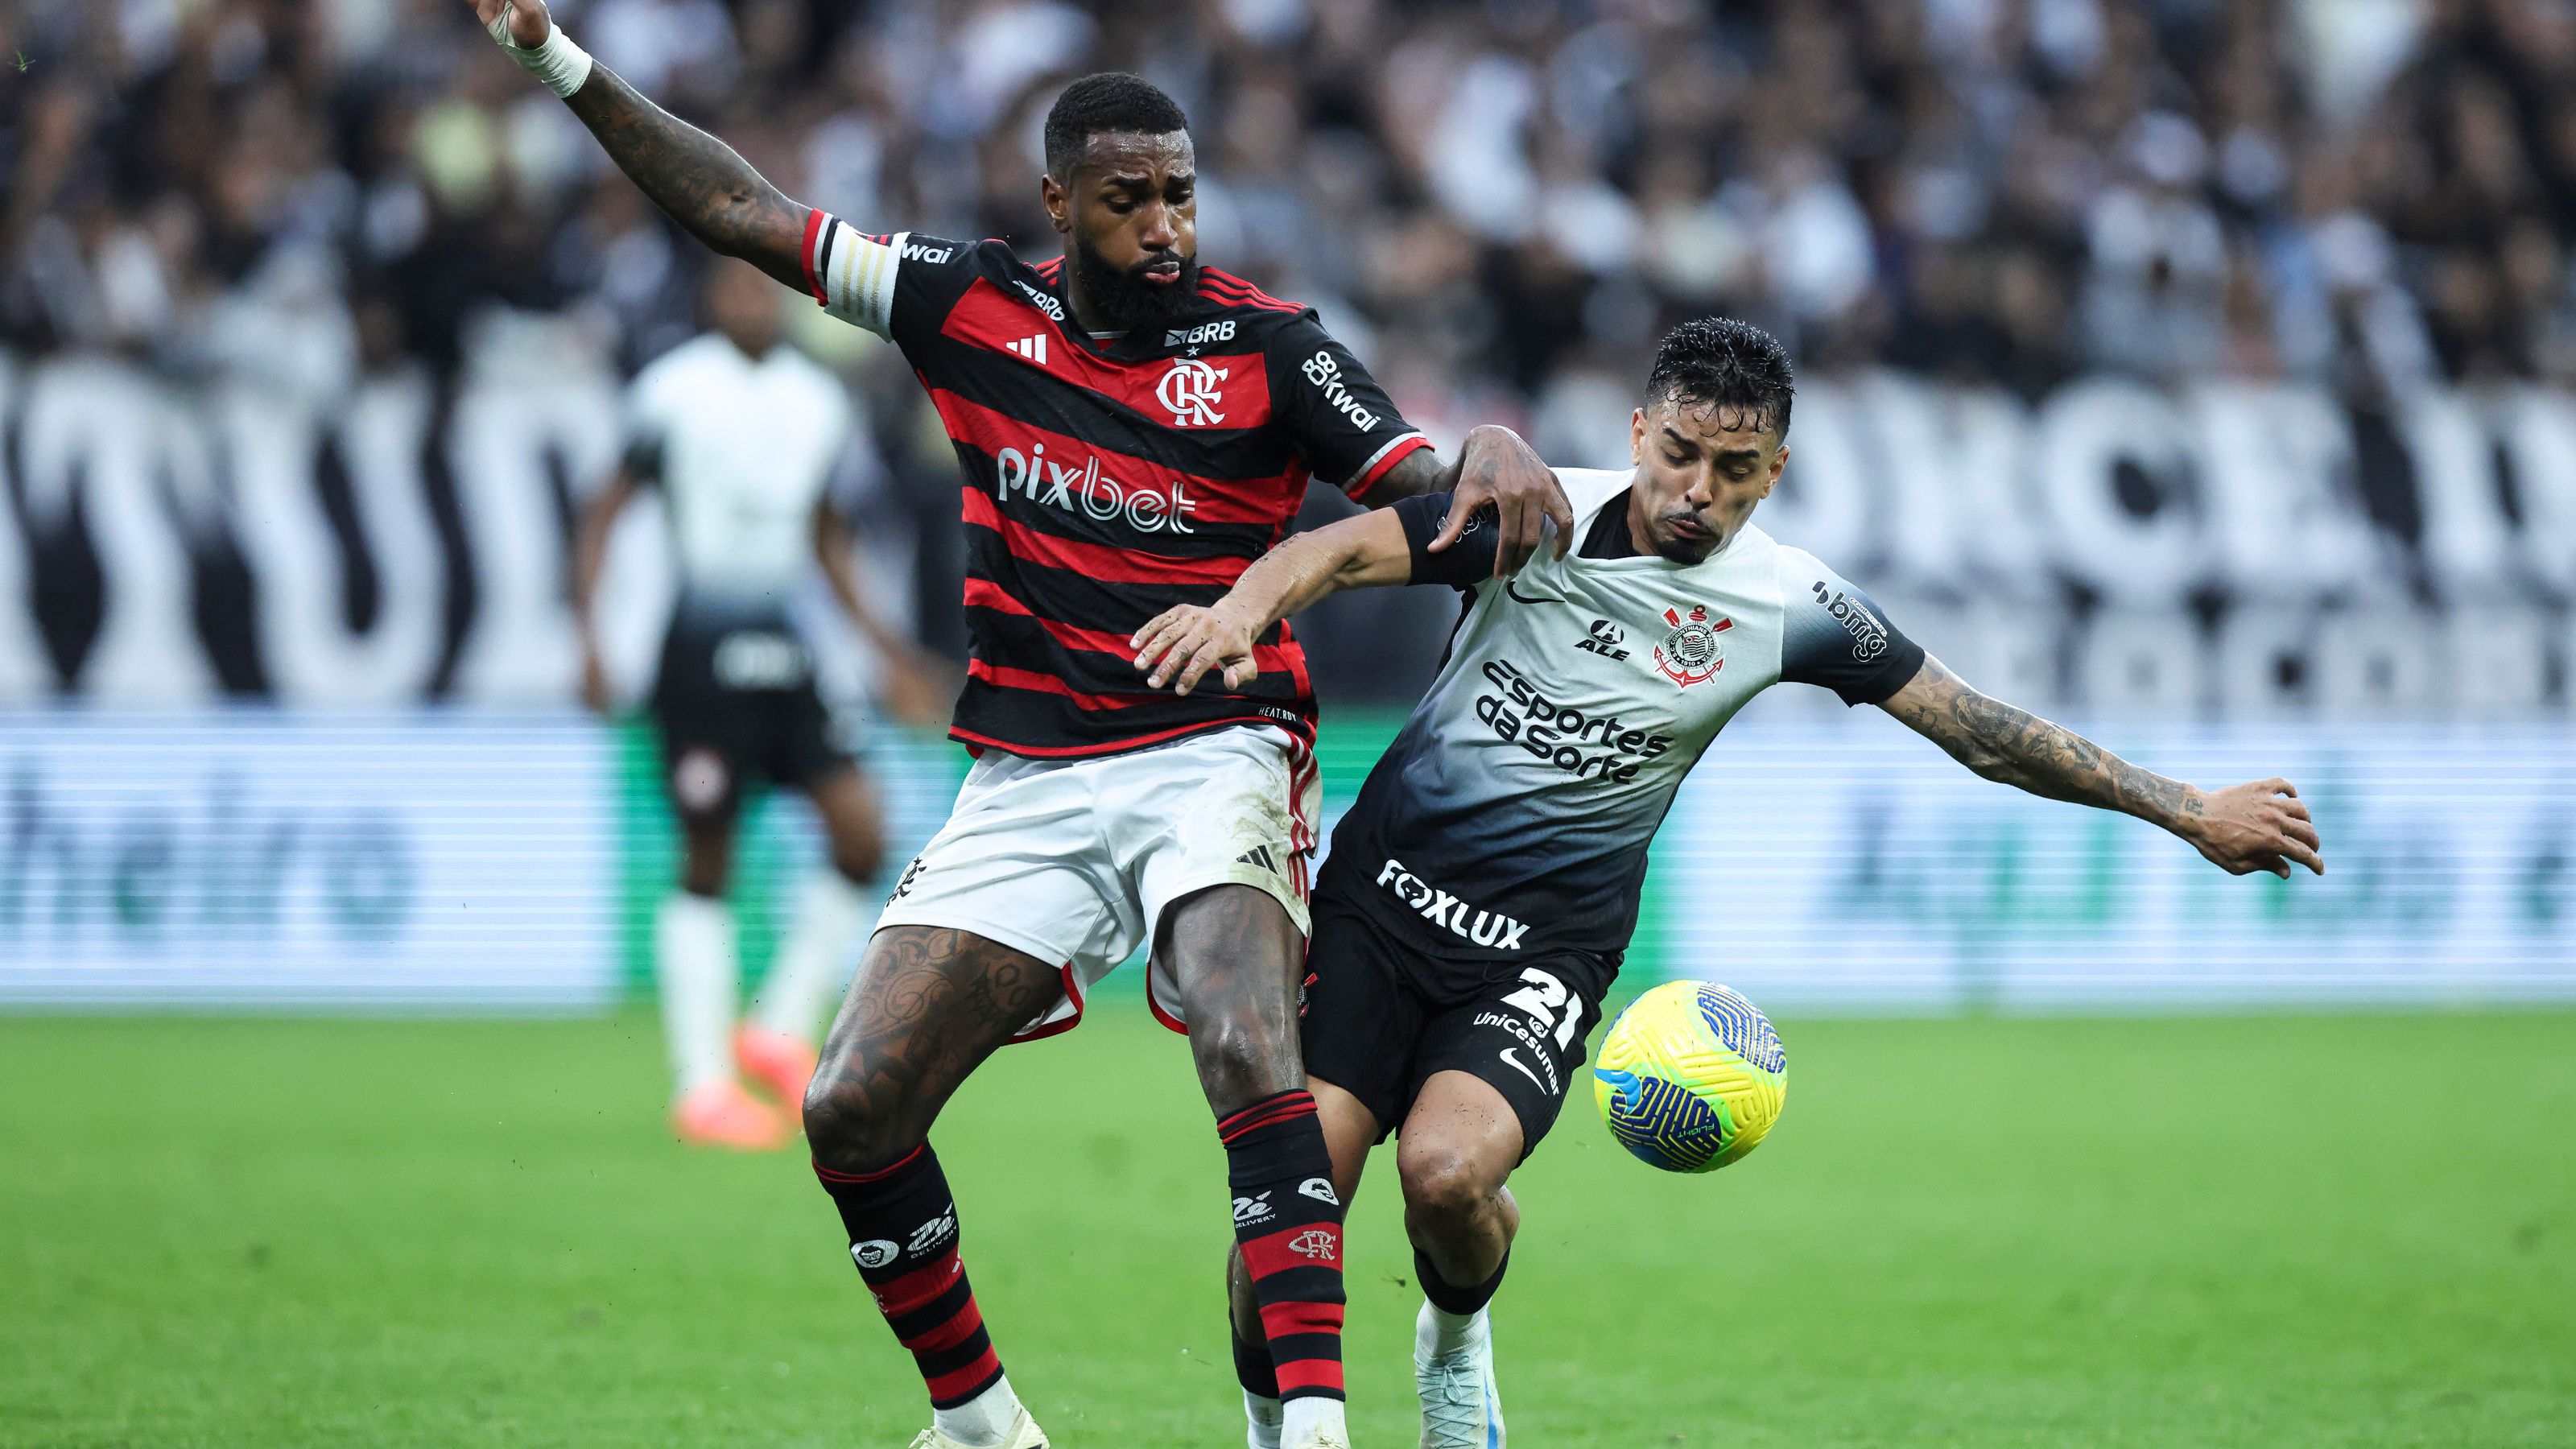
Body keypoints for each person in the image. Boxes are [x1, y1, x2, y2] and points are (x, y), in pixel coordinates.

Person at [469, 5, 1572, 1447]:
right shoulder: (963, 304)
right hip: (1029, 775)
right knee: (852, 1106)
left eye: (1181, 194)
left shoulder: (1271, 349)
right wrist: (556, 57)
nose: (1166, 226)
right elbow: (741, 212)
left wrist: (1484, 444)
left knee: (1246, 1033)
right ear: (1058, 201)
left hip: (1214, 751)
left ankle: (1312, 1426)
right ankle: (981, 1425)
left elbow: (1428, 498)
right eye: (1129, 200)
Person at [1129, 317, 2329, 1449]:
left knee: (1445, 1179)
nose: (1697, 490)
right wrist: (1239, 613)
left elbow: (1977, 729)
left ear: (1775, 472)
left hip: (1540, 954)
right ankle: (1271, 1435)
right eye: (1679, 454)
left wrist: (2186, 809)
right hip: (1376, 913)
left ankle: (1453, 1340)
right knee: (1295, 1203)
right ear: (1639, 431)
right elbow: (1336, 551)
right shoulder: (1530, 515)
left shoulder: (1787, 604)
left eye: (1735, 469)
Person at [571, 258, 949, 1151]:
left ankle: (778, 1027)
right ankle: (701, 1085)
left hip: (786, 645)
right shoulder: (671, 391)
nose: (752, 301)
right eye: (735, 288)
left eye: (762, 288)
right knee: (709, 857)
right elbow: (604, 514)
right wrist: (589, 638)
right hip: (696, 654)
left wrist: (890, 656)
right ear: (710, 298)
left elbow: (827, 539)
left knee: (861, 835)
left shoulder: (815, 400)